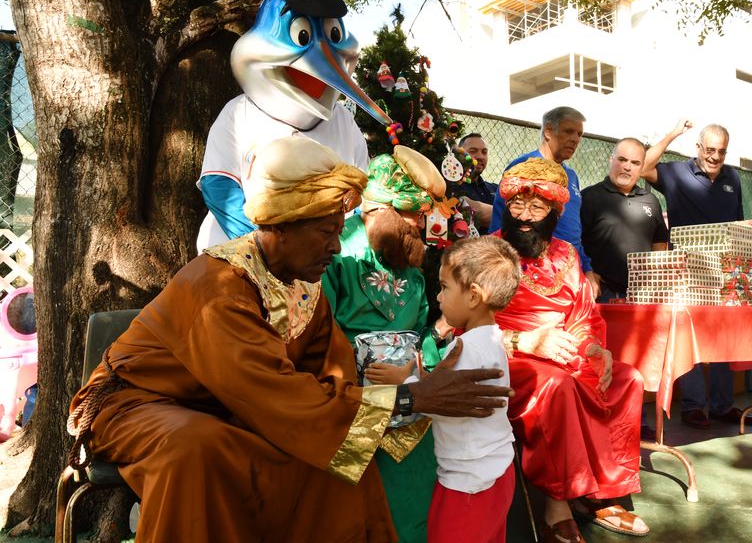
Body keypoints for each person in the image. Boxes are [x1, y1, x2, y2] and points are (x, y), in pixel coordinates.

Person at [67, 137, 512, 543]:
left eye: (339, 232)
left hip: (235, 409)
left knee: (337, 459)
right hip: (138, 405)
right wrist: (410, 398)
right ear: (280, 226)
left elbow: (329, 376)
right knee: (197, 449)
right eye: (325, 233)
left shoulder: (304, 286)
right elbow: (272, 393)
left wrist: (400, 399)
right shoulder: (217, 286)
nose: (337, 248)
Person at [493, 158, 649, 543]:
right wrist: (525, 341)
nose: (525, 216)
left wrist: (594, 346)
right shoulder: (489, 251)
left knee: (627, 379)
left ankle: (602, 495)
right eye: (517, 204)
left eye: (537, 207)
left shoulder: (565, 253)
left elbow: (583, 314)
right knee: (558, 386)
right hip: (511, 355)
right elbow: (468, 324)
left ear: (554, 212)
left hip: (565, 350)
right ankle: (557, 502)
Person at [195, 0, 391, 252]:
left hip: (320, 269)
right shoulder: (239, 114)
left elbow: (361, 193)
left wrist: (331, 248)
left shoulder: (343, 122)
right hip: (240, 258)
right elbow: (219, 185)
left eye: (333, 34)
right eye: (303, 35)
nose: (322, 58)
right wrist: (268, 246)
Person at [321, 145, 452, 543]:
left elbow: (420, 337)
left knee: (424, 479)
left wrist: (419, 361)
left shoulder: (410, 271)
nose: (421, 224)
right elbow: (315, 336)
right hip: (346, 401)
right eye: (413, 213)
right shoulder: (334, 256)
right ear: (378, 209)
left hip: (409, 407)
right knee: (346, 499)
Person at [641, 122, 752, 429]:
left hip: (723, 269)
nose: (715, 157)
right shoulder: (676, 173)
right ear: (698, 148)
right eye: (709, 150)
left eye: (721, 151)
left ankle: (722, 405)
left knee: (722, 335)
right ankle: (693, 406)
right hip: (687, 269)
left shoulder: (732, 176)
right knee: (689, 334)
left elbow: (738, 219)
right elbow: (643, 166)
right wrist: (672, 133)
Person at [422, 236, 521, 543]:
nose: (439, 297)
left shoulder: (465, 349)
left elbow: (436, 400)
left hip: (469, 483)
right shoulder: (492, 338)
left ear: (474, 296)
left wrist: (403, 382)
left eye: (444, 287)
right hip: (498, 469)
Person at [488, 106, 600, 295]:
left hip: (570, 269)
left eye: (579, 134)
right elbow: (502, 221)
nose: (575, 139)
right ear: (548, 131)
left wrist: (586, 269)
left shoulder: (572, 176)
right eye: (568, 131)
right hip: (530, 272)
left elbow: (574, 231)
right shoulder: (524, 167)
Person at [581, 137, 669, 303]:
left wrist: (659, 284)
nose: (627, 167)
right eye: (622, 160)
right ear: (611, 160)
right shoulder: (589, 197)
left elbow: (659, 245)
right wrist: (587, 272)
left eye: (635, 163)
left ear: (642, 167)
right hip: (601, 293)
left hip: (643, 295)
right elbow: (573, 243)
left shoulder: (651, 200)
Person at [451, 133, 497, 234]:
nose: (480, 156)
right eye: (472, 151)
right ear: (459, 154)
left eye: (484, 152)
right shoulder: (451, 186)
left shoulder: (495, 189)